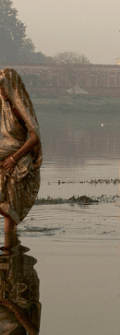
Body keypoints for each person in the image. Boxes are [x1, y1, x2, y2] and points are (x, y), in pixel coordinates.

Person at [0, 69, 42, 237]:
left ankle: (10, 253)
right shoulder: (3, 106)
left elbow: (35, 137)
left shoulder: (19, 108)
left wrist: (13, 158)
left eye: (3, 87)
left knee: (9, 210)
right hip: (5, 156)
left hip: (17, 158)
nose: (1, 92)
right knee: (5, 207)